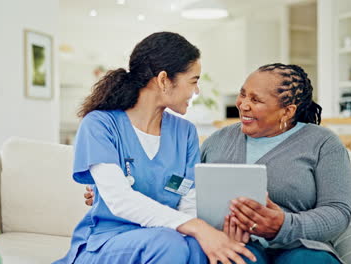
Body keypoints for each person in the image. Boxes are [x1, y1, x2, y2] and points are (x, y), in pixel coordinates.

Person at [85, 63, 351, 264]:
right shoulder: (218, 140)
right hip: (232, 242)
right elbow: (182, 185)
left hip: (301, 246)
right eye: (243, 94)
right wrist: (119, 188)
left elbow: (339, 211)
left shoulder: (322, 143)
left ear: (287, 110)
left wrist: (284, 224)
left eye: (256, 100)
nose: (243, 105)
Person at [54, 32, 255, 264]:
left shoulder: (185, 132)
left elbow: (188, 203)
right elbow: (120, 200)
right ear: (163, 80)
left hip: (169, 237)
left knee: (198, 247)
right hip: (108, 240)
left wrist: (207, 230)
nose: (197, 91)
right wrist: (197, 227)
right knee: (169, 244)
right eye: (193, 81)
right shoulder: (100, 124)